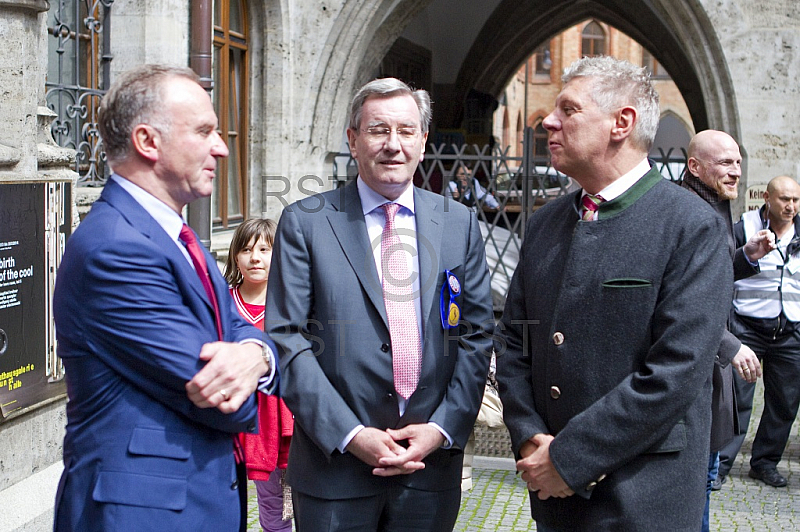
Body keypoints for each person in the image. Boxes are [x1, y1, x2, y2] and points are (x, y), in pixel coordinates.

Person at [495, 56, 734, 531]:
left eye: (569, 109)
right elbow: (514, 341)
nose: (549, 120)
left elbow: (675, 372)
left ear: (621, 123)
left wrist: (569, 458)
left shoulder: (691, 226)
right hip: (554, 498)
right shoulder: (545, 223)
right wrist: (528, 438)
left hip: (644, 497)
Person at [52, 64, 278, 532]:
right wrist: (260, 364)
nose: (221, 146)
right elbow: (215, 392)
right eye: (203, 131)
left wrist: (256, 354)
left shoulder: (175, 232)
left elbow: (234, 330)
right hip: (142, 514)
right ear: (147, 142)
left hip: (194, 499)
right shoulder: (116, 247)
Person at [265, 77, 494, 531]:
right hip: (336, 473)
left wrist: (442, 428)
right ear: (352, 140)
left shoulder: (458, 223)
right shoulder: (306, 224)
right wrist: (351, 435)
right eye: (378, 130)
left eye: (407, 131)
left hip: (429, 472)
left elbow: (475, 334)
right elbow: (287, 339)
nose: (394, 145)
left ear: (424, 141)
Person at [680, 129, 771, 530]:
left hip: (708, 373)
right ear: (695, 166)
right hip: (691, 375)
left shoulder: (714, 204)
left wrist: (745, 257)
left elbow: (709, 279)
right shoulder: (690, 211)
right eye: (725, 163)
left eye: (737, 162)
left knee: (704, 479)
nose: (735, 172)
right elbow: (679, 298)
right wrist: (730, 344)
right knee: (695, 485)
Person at [716, 175, 800, 489]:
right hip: (747, 329)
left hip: (791, 331)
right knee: (736, 400)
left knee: (785, 403)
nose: (790, 206)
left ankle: (765, 463)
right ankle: (721, 465)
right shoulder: (743, 229)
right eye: (784, 199)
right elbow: (724, 271)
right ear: (767, 197)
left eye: (795, 200)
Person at [224, 218, 294, 531]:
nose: (255, 257)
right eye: (247, 249)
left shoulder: (292, 303)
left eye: (265, 249)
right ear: (235, 257)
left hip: (282, 418)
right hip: (234, 414)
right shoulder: (222, 302)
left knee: (282, 500)